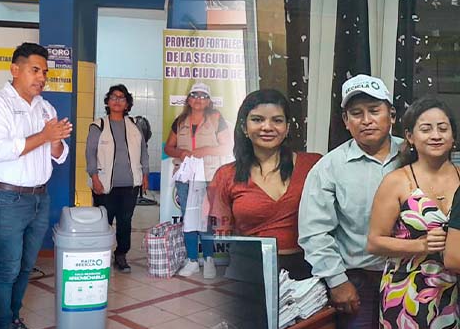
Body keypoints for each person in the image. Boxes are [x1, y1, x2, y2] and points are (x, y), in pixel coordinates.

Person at [298, 74, 402, 329]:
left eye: (374, 110)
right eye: (356, 113)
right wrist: (337, 281)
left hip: (414, 277)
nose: (366, 120)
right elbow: (314, 232)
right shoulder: (329, 168)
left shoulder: (413, 154)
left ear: (391, 114)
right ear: (346, 120)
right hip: (360, 284)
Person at [0, 42, 72, 329]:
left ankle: (13, 322)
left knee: (23, 268)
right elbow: (3, 150)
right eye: (35, 70)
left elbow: (60, 157)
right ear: (15, 70)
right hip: (7, 197)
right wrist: (45, 137)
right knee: (5, 270)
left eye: (45, 71)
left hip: (38, 197)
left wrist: (56, 140)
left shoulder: (45, 108)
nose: (42, 77)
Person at [368, 97, 460, 329]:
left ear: (453, 135)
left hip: (454, 292)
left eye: (443, 128)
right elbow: (374, 241)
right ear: (409, 136)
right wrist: (420, 245)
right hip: (408, 295)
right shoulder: (397, 181)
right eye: (426, 128)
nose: (435, 135)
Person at [208, 89, 321, 280]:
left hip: (309, 272)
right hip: (250, 271)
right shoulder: (226, 175)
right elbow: (221, 236)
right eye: (257, 119)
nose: (267, 127)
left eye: (277, 120)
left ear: (287, 128)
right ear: (244, 127)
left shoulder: (314, 165)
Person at [164, 82, 233, 279]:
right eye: (195, 95)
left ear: (209, 101)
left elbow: (227, 148)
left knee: (206, 219)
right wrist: (180, 152)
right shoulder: (180, 120)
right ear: (188, 99)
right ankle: (192, 260)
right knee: (189, 219)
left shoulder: (216, 119)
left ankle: (209, 259)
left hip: (209, 177)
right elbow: (168, 148)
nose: (198, 99)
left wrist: (205, 151)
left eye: (203, 96)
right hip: (186, 178)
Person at [86, 84, 149, 273]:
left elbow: (143, 153)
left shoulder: (135, 126)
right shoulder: (98, 125)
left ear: (127, 104)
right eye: (113, 97)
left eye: (122, 98)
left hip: (130, 185)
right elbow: (90, 153)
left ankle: (121, 255)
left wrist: (145, 174)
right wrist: (94, 177)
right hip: (104, 185)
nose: (117, 101)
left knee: (125, 221)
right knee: (103, 222)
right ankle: (100, 254)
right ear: (107, 101)